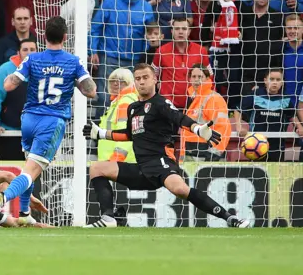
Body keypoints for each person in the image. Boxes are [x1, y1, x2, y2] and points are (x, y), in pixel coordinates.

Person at [84, 63, 249, 228]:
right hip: (141, 169)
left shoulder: (161, 103)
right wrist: (101, 133)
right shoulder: (133, 108)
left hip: (161, 163)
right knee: (96, 168)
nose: (141, 82)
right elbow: (129, 134)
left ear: (155, 79)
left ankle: (230, 218)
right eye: (138, 79)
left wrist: (197, 129)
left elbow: (179, 118)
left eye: (146, 77)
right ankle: (108, 218)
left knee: (181, 190)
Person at [0, 16, 97, 226]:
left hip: (28, 120)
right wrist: (72, 81)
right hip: (51, 121)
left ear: (44, 37)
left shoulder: (32, 59)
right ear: (65, 37)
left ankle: (25, 213)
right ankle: (4, 197)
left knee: (28, 168)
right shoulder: (72, 61)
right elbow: (91, 92)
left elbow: (9, 85)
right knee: (31, 172)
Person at [0, 37, 38, 160]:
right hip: (10, 131)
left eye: (32, 49)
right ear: (18, 53)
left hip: (35, 134)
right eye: (25, 49)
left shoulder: (44, 70)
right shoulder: (5, 69)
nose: (29, 52)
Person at [236, 68, 298, 162]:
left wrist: (300, 127)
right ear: (265, 80)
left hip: (277, 146)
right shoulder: (255, 95)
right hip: (255, 145)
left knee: (275, 174)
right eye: (271, 79)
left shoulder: (286, 100)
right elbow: (238, 110)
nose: (275, 82)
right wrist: (239, 127)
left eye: (278, 80)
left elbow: (292, 116)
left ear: (282, 82)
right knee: (256, 174)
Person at [152, 18, 211, 109]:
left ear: (189, 31)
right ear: (172, 31)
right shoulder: (161, 51)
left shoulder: (201, 51)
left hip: (195, 105)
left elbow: (209, 77)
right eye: (177, 29)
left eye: (184, 29)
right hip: (168, 106)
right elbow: (152, 77)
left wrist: (207, 101)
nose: (180, 32)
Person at [181, 64, 230, 161]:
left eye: (200, 77)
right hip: (190, 155)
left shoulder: (214, 98)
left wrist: (214, 153)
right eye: (194, 76)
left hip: (207, 156)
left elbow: (224, 128)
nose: (196, 80)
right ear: (190, 79)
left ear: (207, 78)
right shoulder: (192, 99)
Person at [97, 68, 138, 163]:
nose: (115, 83)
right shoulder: (117, 103)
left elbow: (126, 134)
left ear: (129, 84)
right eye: (112, 80)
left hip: (120, 163)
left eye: (121, 81)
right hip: (113, 161)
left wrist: (116, 159)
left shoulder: (125, 102)